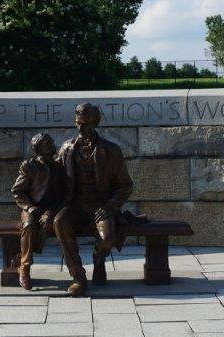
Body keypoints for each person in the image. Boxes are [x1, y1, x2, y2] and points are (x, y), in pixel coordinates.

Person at [53, 103, 134, 297]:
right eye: (78, 123)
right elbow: (54, 178)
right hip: (74, 206)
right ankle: (78, 277)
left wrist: (109, 206)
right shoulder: (66, 148)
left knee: (107, 239)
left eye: (86, 124)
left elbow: (125, 185)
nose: (81, 128)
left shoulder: (112, 150)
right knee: (59, 222)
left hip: (101, 207)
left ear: (96, 123)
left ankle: (99, 259)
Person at [9, 133, 62, 290]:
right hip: (31, 207)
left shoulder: (59, 166)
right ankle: (25, 268)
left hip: (50, 209)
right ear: (39, 147)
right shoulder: (30, 166)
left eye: (51, 140)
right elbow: (17, 191)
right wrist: (30, 207)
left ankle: (21, 257)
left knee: (47, 223)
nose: (53, 143)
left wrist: (51, 210)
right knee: (29, 225)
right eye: (48, 142)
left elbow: (63, 192)